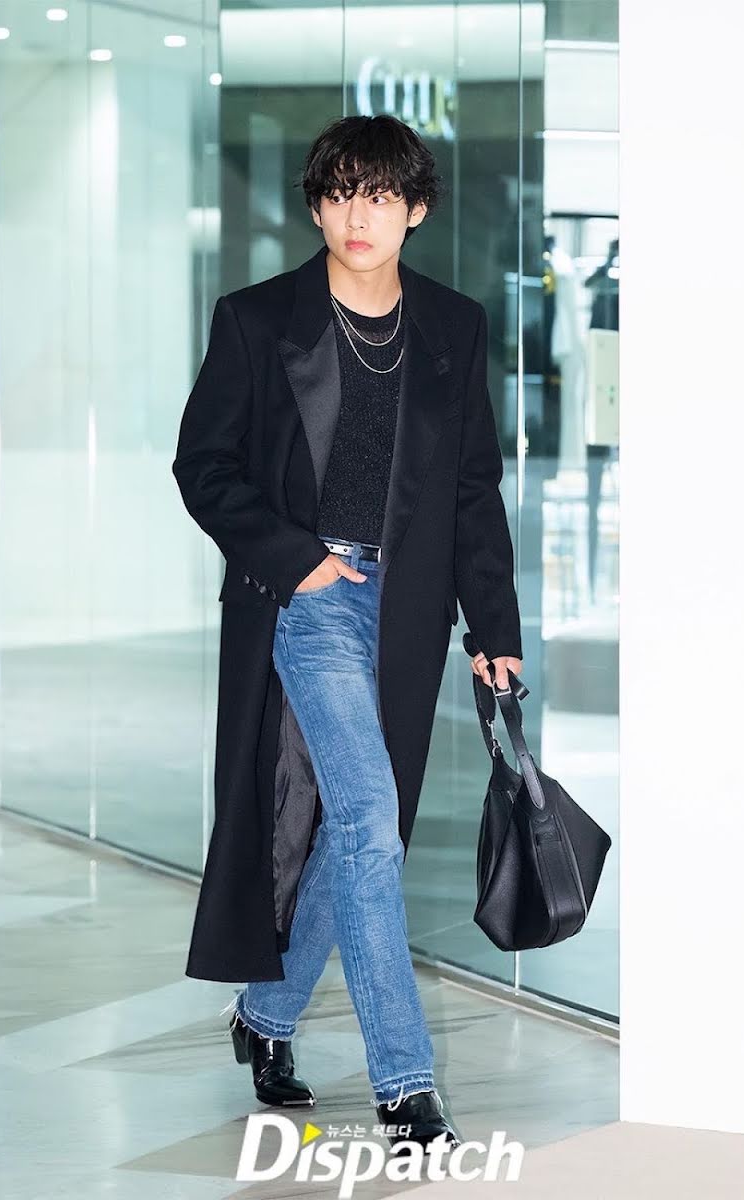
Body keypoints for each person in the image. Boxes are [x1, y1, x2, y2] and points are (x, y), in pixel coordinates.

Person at [171, 114, 524, 1154]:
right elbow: (204, 466)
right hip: (309, 595)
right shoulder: (256, 320)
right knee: (369, 820)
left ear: (415, 209)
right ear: (317, 206)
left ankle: (266, 1014)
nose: (354, 215)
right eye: (337, 194)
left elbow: (471, 491)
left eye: (377, 196)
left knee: (359, 830)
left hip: (407, 606)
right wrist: (297, 559)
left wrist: (492, 626)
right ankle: (405, 1088)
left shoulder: (453, 327)